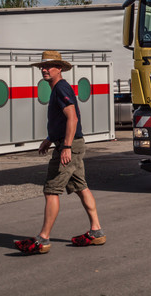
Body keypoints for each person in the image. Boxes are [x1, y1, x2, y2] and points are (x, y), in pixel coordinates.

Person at [14, 50, 105, 254]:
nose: (44, 69)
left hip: (69, 146)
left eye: (49, 66)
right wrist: (49, 139)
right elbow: (63, 120)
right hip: (72, 143)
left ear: (60, 68)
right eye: (42, 66)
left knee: (51, 190)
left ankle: (43, 239)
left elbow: (72, 117)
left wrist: (65, 147)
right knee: (81, 187)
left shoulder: (61, 87)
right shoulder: (57, 88)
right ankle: (96, 231)